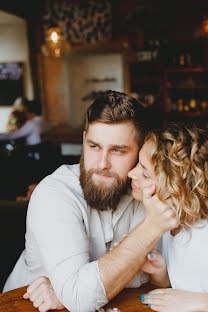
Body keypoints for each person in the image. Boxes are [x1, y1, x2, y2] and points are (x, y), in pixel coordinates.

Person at [3, 91, 179, 312]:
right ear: (84, 140)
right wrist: (150, 228)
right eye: (94, 147)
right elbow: (81, 297)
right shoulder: (55, 193)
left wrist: (72, 292)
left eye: (117, 150)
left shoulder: (144, 190)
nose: (102, 163)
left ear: (140, 151)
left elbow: (156, 277)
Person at [127, 123, 208, 312]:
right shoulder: (168, 225)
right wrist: (161, 273)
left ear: (178, 189)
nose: (131, 173)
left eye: (145, 173)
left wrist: (202, 303)